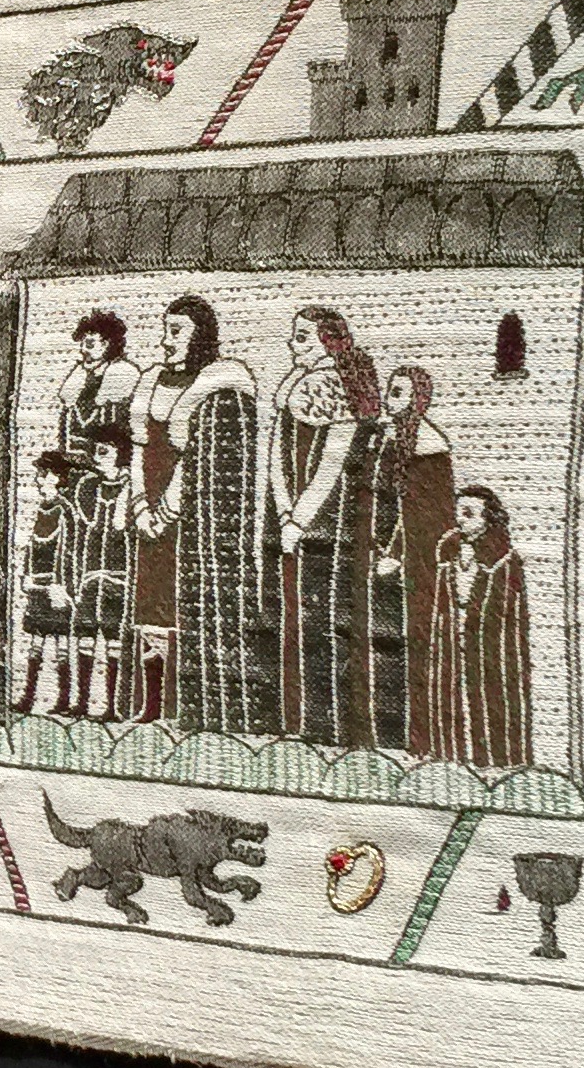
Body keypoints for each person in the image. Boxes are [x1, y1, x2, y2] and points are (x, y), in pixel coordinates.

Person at [124, 295, 264, 731]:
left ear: (200, 335)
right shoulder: (150, 381)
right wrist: (140, 504)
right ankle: (151, 702)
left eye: (177, 331)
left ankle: (185, 702)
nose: (166, 340)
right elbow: (138, 450)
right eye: (165, 330)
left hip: (189, 516)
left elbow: (195, 457)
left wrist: (166, 509)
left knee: (184, 603)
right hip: (147, 511)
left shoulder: (216, 385)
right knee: (149, 605)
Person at [270, 304, 388, 749]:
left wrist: (298, 518)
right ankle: (298, 718)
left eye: (302, 336)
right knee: (295, 615)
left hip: (329, 520)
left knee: (327, 618)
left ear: (327, 342)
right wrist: (284, 510)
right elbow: (277, 457)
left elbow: (331, 465)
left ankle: (330, 723)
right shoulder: (294, 384)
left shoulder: (337, 387)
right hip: (291, 518)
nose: (292, 344)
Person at [368, 364, 455, 752]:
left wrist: (397, 554)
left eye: (399, 392)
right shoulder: (388, 438)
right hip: (380, 556)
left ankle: (417, 737)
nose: (390, 399)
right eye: (389, 389)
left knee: (412, 643)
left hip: (413, 564)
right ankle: (380, 735)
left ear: (418, 399)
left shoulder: (429, 446)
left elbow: (427, 516)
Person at [56, 309, 137, 716]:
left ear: (109, 344)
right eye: (83, 342)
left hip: (111, 485)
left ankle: (115, 702)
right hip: (80, 489)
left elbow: (124, 439)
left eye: (92, 342)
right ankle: (78, 699)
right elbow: (63, 440)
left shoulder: (122, 385)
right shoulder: (76, 388)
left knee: (112, 614)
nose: (85, 349)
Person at [422, 484, 532, 769]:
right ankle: (452, 756)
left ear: (488, 519)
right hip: (453, 638)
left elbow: (506, 610)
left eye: (469, 513)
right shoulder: (448, 549)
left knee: (490, 693)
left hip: (487, 644)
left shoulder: (504, 558)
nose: (460, 519)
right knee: (451, 689)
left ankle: (496, 760)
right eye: (459, 512)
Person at [19, 452, 76, 713]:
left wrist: (61, 584)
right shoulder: (43, 509)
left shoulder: (64, 510)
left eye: (44, 475)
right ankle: (28, 697)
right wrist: (26, 575)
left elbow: (67, 550)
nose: (40, 480)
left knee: (61, 641)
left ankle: (63, 699)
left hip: (55, 586)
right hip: (37, 585)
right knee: (36, 642)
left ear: (57, 477)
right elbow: (33, 546)